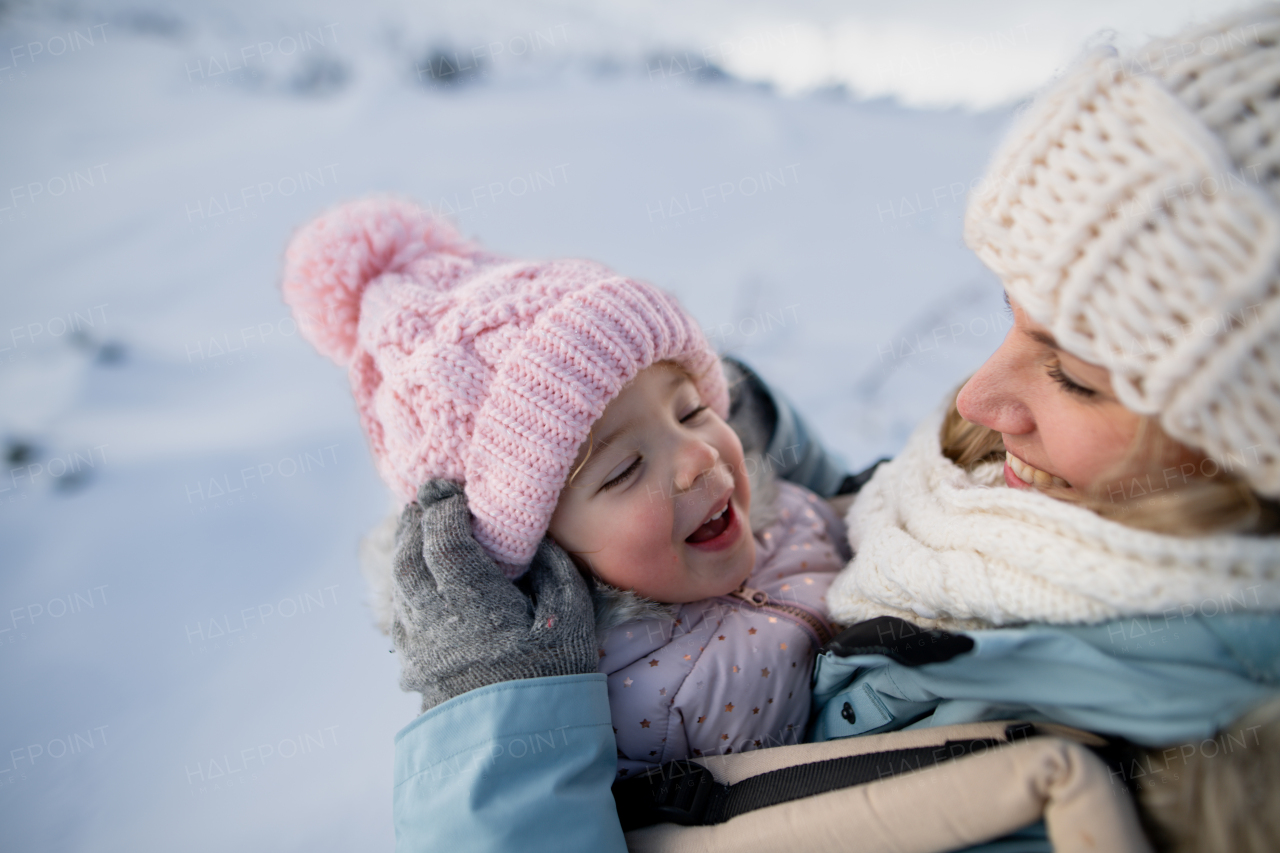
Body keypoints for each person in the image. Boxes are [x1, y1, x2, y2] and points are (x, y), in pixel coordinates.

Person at [348, 5, 1280, 852]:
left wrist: (499, 726)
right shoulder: (1019, 497)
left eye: (1073, 376)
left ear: (1245, 446)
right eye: (1008, 317)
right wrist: (789, 459)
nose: (973, 401)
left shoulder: (1183, 773)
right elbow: (859, 587)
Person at [278, 196, 851, 834]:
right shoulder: (609, 716)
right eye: (624, 469)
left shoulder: (790, 510)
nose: (696, 456)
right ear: (543, 550)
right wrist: (497, 709)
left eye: (691, 410)